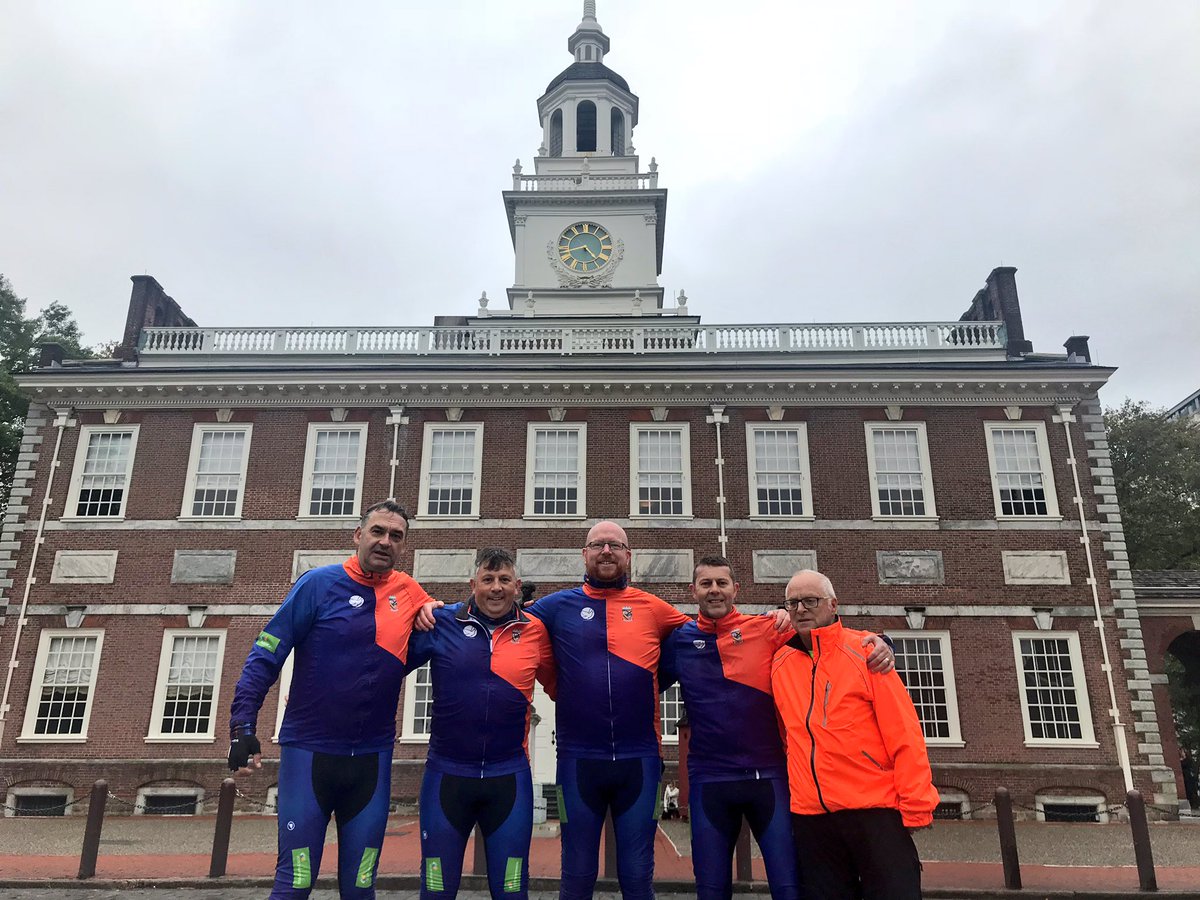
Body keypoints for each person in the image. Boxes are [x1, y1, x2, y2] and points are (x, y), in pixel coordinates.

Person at [228, 499, 439, 900]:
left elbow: (446, 625)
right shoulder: (317, 584)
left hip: (371, 760)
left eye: (396, 536)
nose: (385, 542)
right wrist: (243, 724)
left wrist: (512, 613)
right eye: (377, 532)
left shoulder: (408, 590)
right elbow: (266, 652)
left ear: (403, 545)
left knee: (360, 886)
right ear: (358, 535)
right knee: (296, 882)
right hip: (310, 755)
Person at [660, 555, 894, 900]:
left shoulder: (768, 628)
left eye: (721, 583)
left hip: (768, 778)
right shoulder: (679, 641)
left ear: (735, 589)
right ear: (692, 590)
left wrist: (881, 641)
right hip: (710, 780)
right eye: (706, 584)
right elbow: (638, 678)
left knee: (788, 888)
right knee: (710, 890)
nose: (714, 591)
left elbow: (829, 638)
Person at [522, 521, 694, 900]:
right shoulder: (556, 606)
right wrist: (437, 608)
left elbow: (708, 633)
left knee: (637, 878)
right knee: (577, 876)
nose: (605, 551)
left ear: (628, 555)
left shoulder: (653, 607)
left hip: (640, 762)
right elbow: (498, 617)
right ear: (584, 555)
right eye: (597, 544)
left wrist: (777, 622)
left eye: (615, 545)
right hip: (578, 761)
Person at [771, 569, 938, 900]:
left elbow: (904, 734)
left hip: (872, 811)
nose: (801, 609)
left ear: (833, 605)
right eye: (793, 603)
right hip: (811, 817)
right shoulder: (779, 663)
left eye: (811, 600)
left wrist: (916, 805)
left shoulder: (866, 653)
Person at [405, 548, 556, 899]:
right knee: (437, 889)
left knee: (512, 890)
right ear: (473, 584)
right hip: (447, 776)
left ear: (517, 587)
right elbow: (384, 665)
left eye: (504, 580)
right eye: (488, 580)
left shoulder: (535, 631)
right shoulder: (442, 622)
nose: (496, 588)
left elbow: (565, 687)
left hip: (509, 779)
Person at [1181, 746, 1200, 811]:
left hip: (1189, 779)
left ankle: (1195, 805)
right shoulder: (1186, 760)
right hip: (1187, 779)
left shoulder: (1188, 760)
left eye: (1182, 752)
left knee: (1191, 792)